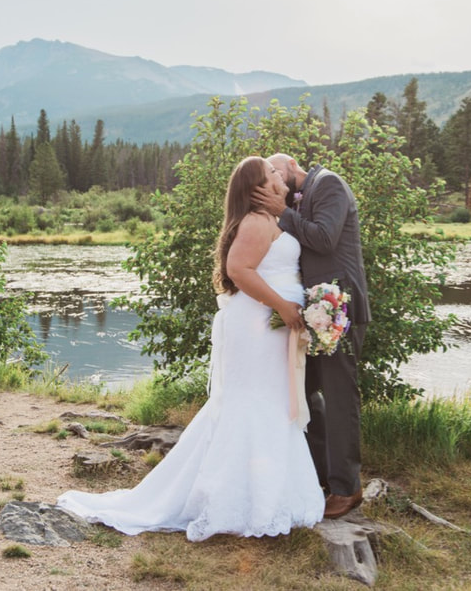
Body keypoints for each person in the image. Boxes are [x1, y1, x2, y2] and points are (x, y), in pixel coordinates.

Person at [57, 156, 324, 541]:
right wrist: (283, 306)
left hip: (270, 329)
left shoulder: (275, 218)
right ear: (257, 189)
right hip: (257, 328)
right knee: (251, 403)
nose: (278, 176)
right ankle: (233, 501)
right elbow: (239, 271)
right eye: (270, 174)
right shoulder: (255, 221)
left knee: (271, 403)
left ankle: (267, 496)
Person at [255, 154, 370, 520]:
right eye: (270, 177)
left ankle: (347, 488)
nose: (276, 181)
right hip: (314, 312)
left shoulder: (330, 184)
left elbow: (323, 238)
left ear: (292, 164)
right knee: (305, 394)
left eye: (277, 172)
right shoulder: (299, 198)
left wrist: (283, 212)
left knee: (339, 397)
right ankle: (319, 476)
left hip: (340, 309)